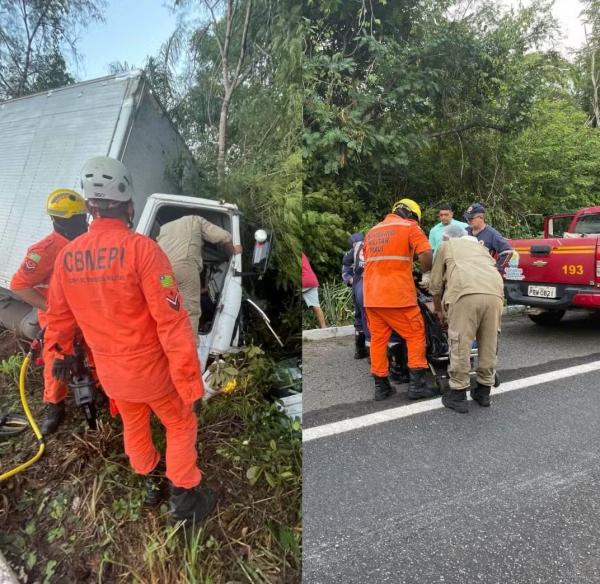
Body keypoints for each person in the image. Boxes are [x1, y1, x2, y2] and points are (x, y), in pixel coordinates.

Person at [44, 156, 216, 523]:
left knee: (134, 425)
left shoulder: (67, 258)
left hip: (112, 373)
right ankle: (183, 501)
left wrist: (58, 356)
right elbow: (172, 322)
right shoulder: (143, 251)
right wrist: (190, 383)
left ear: (89, 207)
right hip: (152, 371)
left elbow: (58, 321)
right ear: (128, 205)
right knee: (181, 423)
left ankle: (152, 484)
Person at [10, 189, 88, 435]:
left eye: (84, 217)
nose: (84, 223)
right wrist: (53, 309)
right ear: (61, 221)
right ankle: (54, 406)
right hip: (59, 321)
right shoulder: (46, 249)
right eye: (78, 219)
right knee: (56, 365)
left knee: (94, 356)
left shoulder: (85, 242)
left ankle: (96, 392)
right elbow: (20, 285)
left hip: (87, 315)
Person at [363, 198, 438, 401]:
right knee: (415, 335)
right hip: (397, 297)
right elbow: (425, 252)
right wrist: (427, 274)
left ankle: (381, 387)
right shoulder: (409, 227)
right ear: (413, 215)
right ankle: (417, 385)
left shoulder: (373, 231)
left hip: (372, 297)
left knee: (378, 341)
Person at [429, 224, 504, 413]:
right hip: (495, 294)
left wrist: (438, 310)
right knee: (488, 342)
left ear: (448, 238)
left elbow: (435, 284)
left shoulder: (446, 246)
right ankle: (484, 391)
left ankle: (458, 394)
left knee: (460, 342)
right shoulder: (482, 248)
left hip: (465, 294)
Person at [157, 215, 242, 336]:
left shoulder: (164, 228)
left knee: (171, 306)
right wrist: (233, 250)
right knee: (191, 311)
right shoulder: (195, 220)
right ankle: (189, 348)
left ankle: (170, 341)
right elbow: (222, 236)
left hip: (163, 273)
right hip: (183, 267)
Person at [463, 202, 513, 271]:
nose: (468, 221)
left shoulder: (492, 234)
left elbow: (508, 252)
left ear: (481, 217)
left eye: (471, 218)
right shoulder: (465, 231)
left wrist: (497, 268)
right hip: (466, 274)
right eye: (467, 218)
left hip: (483, 276)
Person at [342, 233, 368, 358]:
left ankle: (363, 350)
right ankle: (364, 350)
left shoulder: (352, 253)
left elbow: (345, 272)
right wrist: (351, 280)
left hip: (360, 286)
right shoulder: (351, 254)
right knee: (363, 319)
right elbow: (345, 273)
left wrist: (351, 280)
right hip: (362, 285)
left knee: (361, 319)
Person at [302, 253, 326, 328]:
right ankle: (324, 327)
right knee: (316, 306)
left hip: (303, 280)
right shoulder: (302, 254)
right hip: (312, 280)